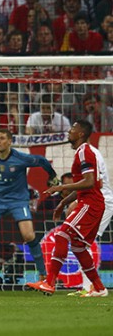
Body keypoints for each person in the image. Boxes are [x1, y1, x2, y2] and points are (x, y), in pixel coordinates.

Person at [27, 120, 108, 297]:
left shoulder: (85, 152)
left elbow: (89, 182)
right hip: (90, 202)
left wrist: (62, 188)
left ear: (80, 134)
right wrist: (63, 203)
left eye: (73, 129)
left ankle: (49, 282)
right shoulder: (82, 152)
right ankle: (100, 288)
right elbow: (85, 186)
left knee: (62, 234)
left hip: (91, 203)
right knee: (78, 247)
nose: (69, 131)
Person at [0, 128, 58, 282]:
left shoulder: (20, 158)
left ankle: (43, 275)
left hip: (18, 201)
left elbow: (42, 161)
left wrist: (52, 176)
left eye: (1, 138)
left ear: (9, 141)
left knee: (28, 235)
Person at [65, 139, 113, 296]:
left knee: (82, 243)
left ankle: (91, 287)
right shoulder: (86, 152)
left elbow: (92, 183)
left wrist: (77, 201)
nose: (68, 135)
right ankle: (90, 287)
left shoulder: (89, 154)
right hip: (98, 200)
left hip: (101, 201)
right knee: (80, 243)